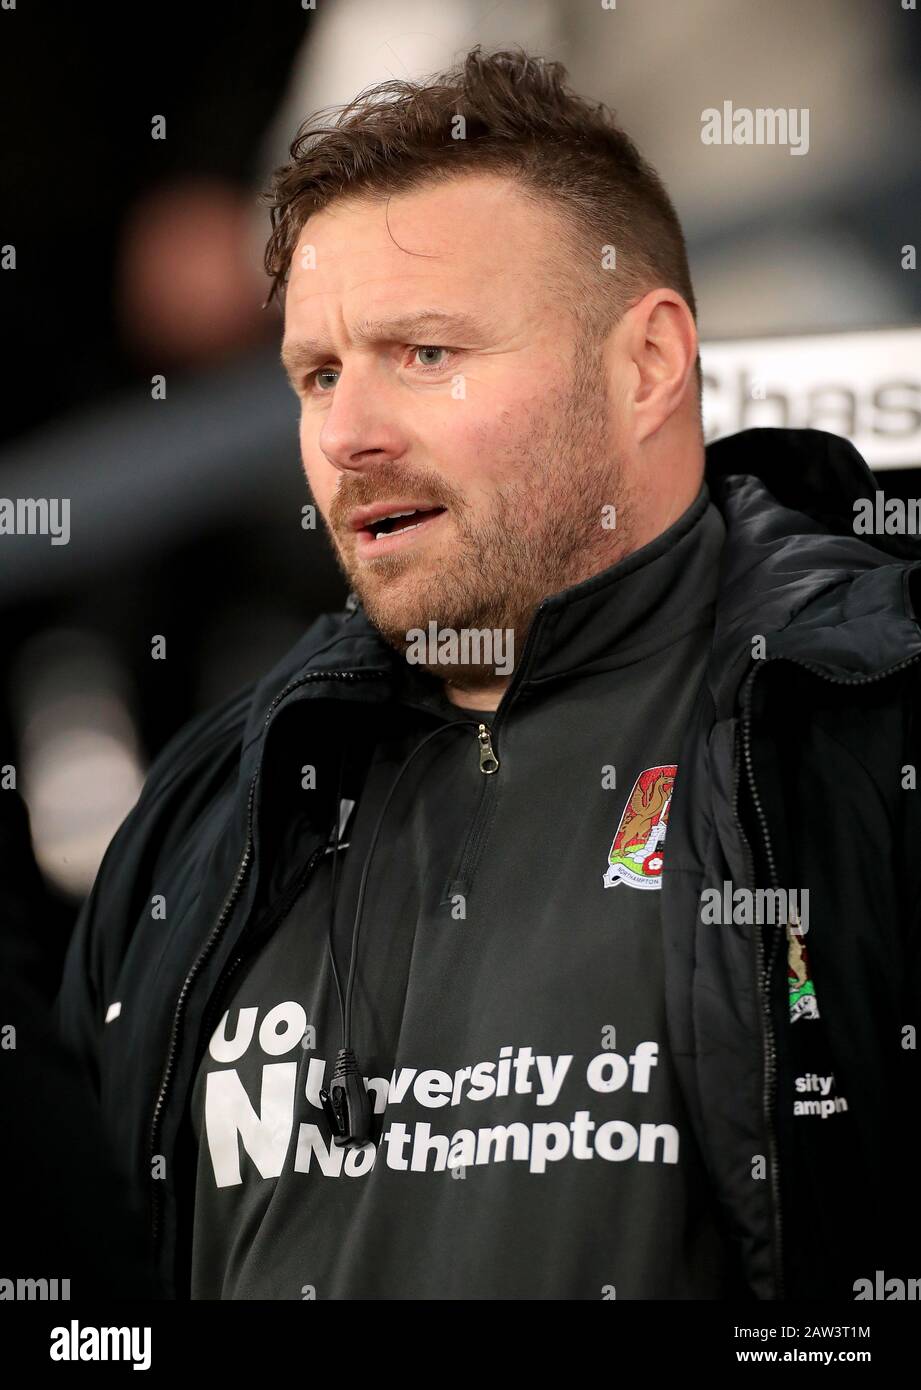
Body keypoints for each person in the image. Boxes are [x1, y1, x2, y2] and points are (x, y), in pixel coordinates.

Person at [54, 46, 921, 1301]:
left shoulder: (863, 740)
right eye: (318, 374)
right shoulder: (202, 820)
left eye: (426, 354)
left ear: (648, 365)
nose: (349, 437)